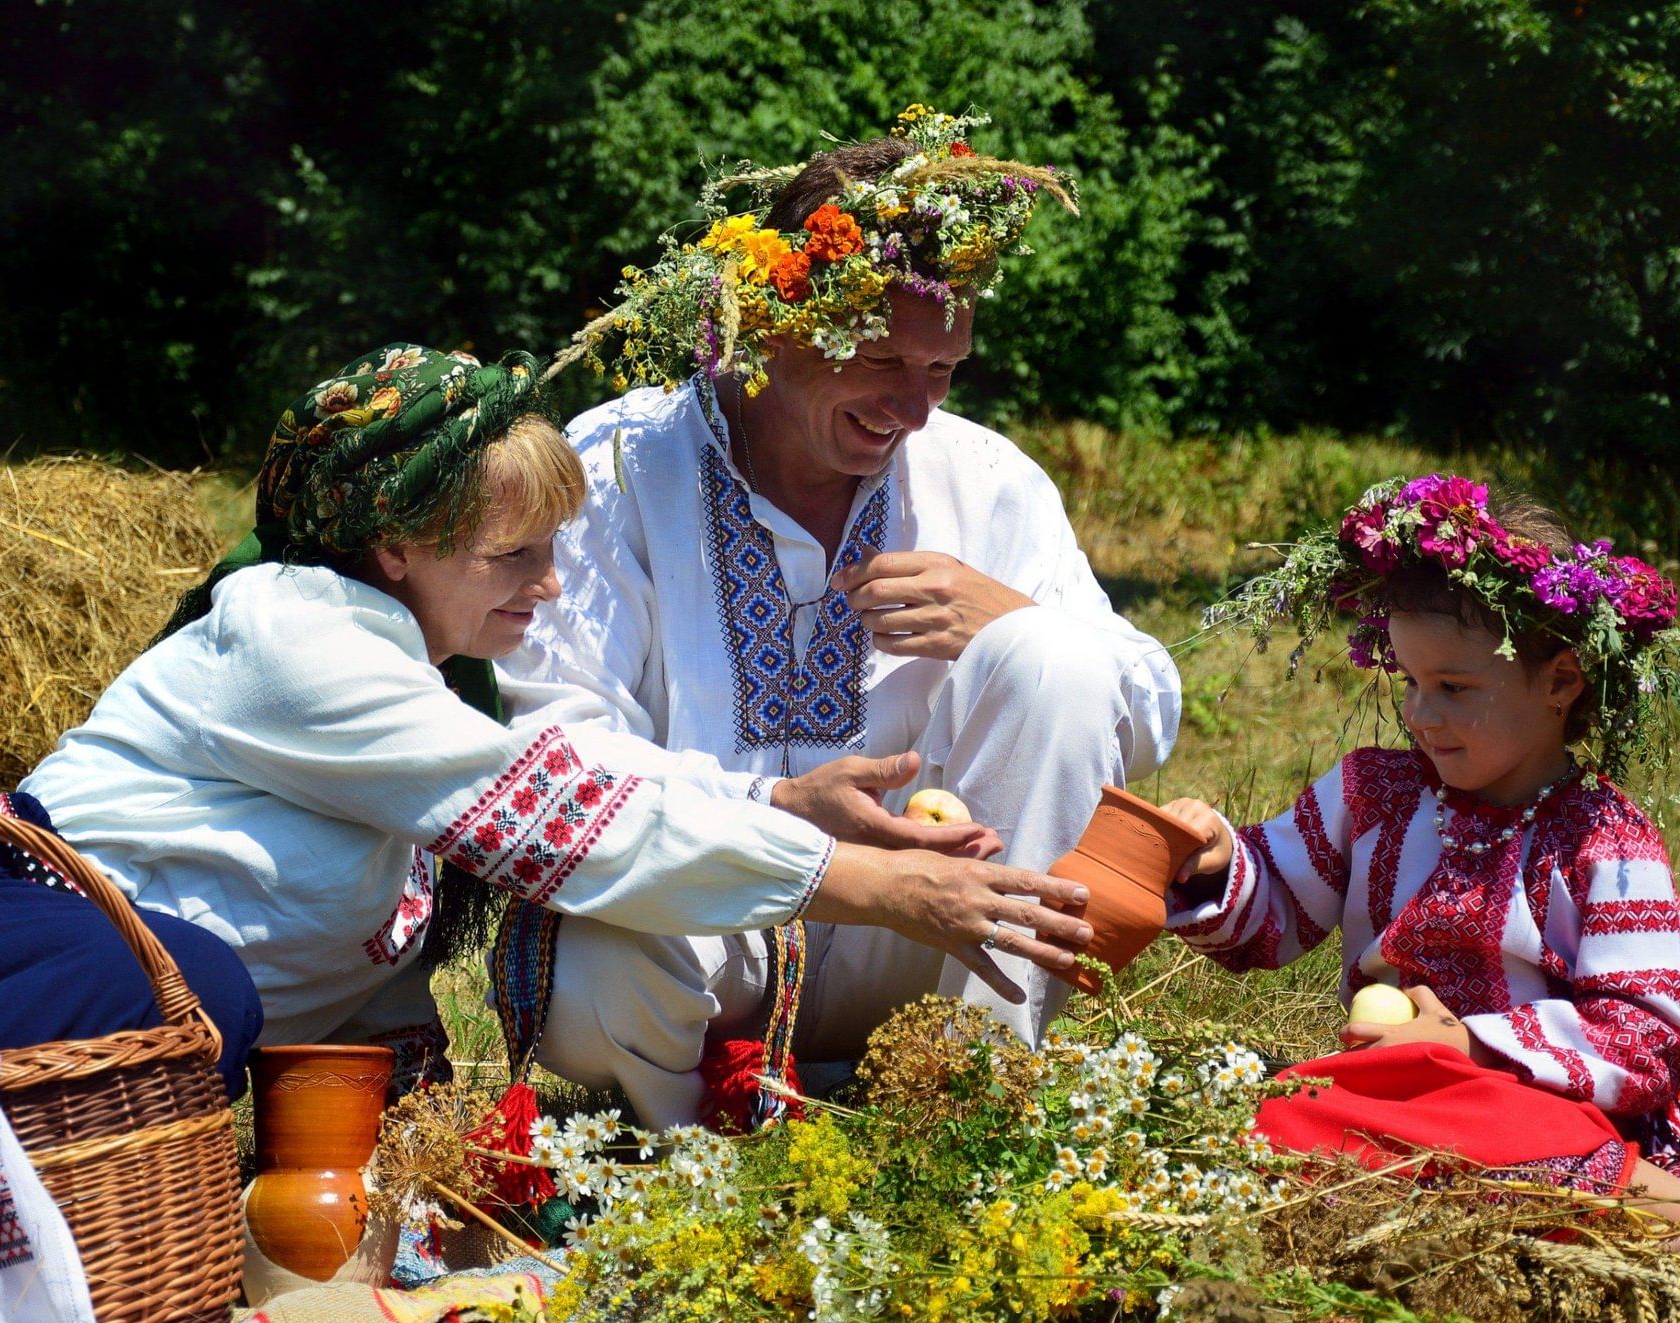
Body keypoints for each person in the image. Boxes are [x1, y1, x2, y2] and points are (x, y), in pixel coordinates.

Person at [0, 344, 1095, 1104]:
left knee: (201, 990)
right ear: (394, 542)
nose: (549, 586)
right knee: (190, 983)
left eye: (554, 549)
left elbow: (359, 951)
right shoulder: (296, 635)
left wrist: (773, 803)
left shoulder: (424, 674)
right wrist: (872, 885)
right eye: (514, 555)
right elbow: (551, 818)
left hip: (131, 994)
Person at [504, 107, 1181, 1127]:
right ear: (773, 325)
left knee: (1054, 653)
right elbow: (546, 750)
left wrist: (1003, 620)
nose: (913, 410)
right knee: (600, 956)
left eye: (941, 372)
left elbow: (1144, 706)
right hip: (704, 923)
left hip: (932, 931)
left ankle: (964, 1109)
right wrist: (767, 813)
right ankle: (688, 1154)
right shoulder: (612, 471)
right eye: (880, 361)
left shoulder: (983, 480)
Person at [1161, 474, 1680, 1274]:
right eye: (1411, 684)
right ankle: (1491, 1211)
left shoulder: (1605, 840)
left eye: (1455, 688)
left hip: (1558, 1108)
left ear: (1561, 682)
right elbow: (1277, 907)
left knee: (1504, 1131)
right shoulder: (1373, 795)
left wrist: (1470, 1043)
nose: (1422, 715)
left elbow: (1648, 1039)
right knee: (1283, 1110)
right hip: (1394, 1093)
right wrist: (1218, 863)